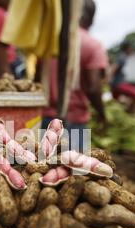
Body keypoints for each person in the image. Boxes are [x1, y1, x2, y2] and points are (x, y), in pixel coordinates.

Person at [40, 0, 108, 152]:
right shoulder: (93, 45)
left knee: (41, 169)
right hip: (74, 121)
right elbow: (93, 87)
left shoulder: (51, 40)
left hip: (45, 118)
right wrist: (102, 114)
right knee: (76, 172)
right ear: (91, 18)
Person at [109, 42, 135, 113]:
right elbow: (114, 68)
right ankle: (130, 114)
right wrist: (108, 78)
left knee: (116, 102)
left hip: (116, 84)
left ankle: (125, 113)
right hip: (118, 84)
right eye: (131, 49)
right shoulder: (122, 57)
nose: (132, 51)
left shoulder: (122, 56)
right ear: (127, 49)